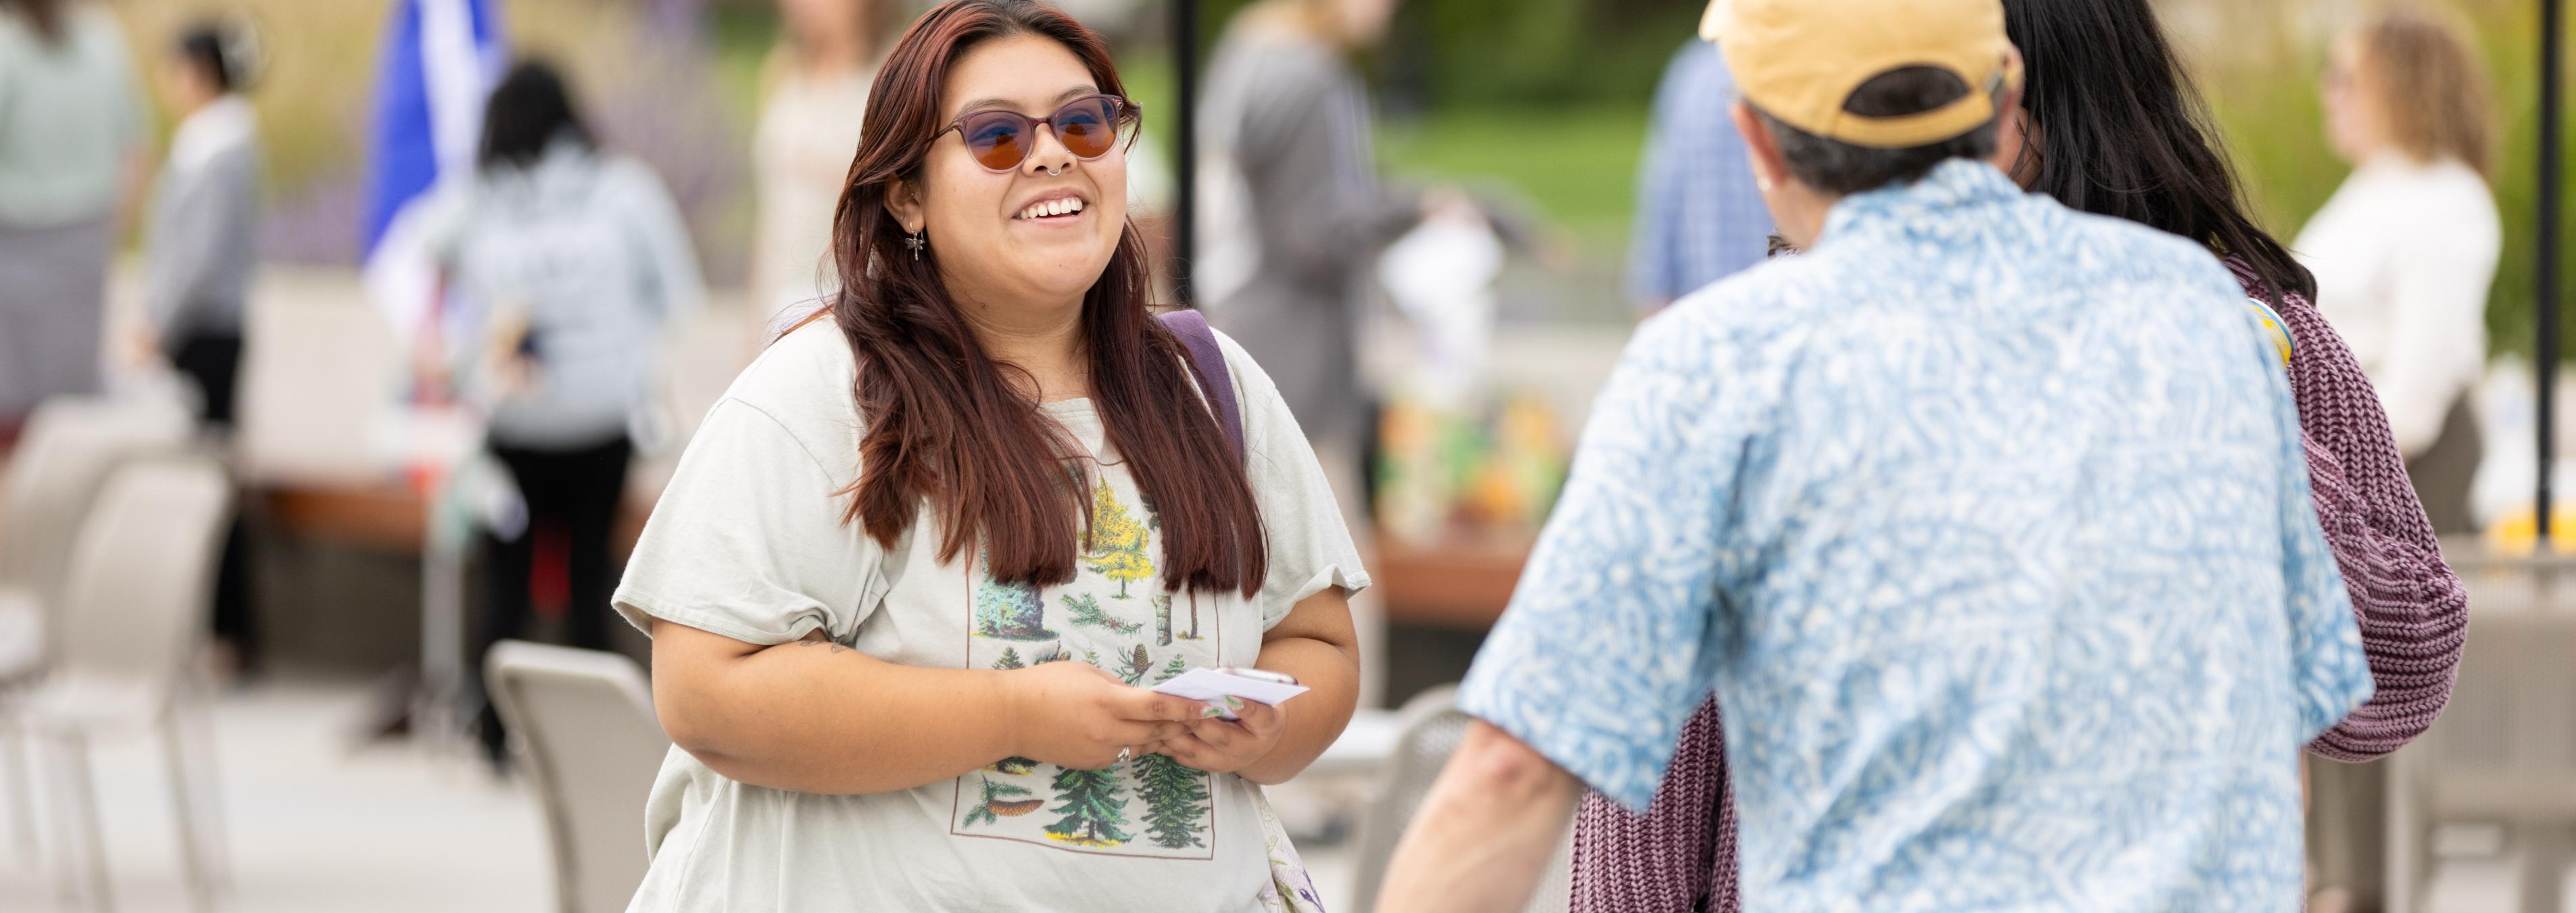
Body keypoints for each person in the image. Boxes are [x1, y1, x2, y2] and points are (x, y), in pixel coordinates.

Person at [1374, 0, 2375, 908]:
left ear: (1754, 139)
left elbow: (1510, 774)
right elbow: (2287, 713)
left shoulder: (1719, 363)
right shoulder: (2207, 316)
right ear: (2004, 102)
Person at [616, 3, 1366, 910]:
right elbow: (705, 691)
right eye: (996, 135)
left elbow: (1316, 640)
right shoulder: (819, 391)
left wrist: (1263, 729)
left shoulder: (1214, 385)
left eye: (1083, 122)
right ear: (906, 194)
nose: (1053, 154)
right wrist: (1016, 714)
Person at [421, 60, 703, 765]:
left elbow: (410, 264)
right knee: (589, 582)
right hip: (602, 422)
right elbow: (677, 296)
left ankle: (493, 734)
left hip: (512, 423)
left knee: (507, 586)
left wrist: (464, 357)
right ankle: (589, 743)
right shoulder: (623, 189)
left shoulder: (478, 198)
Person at [1197, 0, 1443, 710]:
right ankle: (1338, 781)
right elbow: (1313, 231)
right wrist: (1415, 207)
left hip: (1244, 326)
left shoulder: (1247, 56)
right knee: (1331, 580)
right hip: (1300, 350)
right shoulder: (1312, 76)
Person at [2297, 4, 2500, 538]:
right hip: (2340, 461)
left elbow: (2415, 395)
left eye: (2343, 77)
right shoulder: (2370, 189)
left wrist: (2317, 473)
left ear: (2398, 82)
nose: (2325, 91)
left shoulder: (2445, 200)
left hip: (2399, 471)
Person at [144, 15, 266, 675]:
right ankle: (218, 629)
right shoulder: (214, 143)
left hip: (206, 333)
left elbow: (196, 256)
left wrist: (156, 320)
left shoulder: (221, 148)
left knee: (209, 484)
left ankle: (228, 631)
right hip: (206, 331)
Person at [0, 0, 147, 439]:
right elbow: (136, 151)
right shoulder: (103, 38)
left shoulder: (8, 45)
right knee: (68, 408)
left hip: (14, 242)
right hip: (86, 240)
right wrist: (109, 236)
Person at [749, 0, 885, 335]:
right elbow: (771, 215)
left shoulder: (886, 77)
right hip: (780, 289)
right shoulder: (783, 71)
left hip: (849, 295)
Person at [1628, 40, 1773, 312]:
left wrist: (1653, 290)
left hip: (1706, 300)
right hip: (1751, 300)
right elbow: (1664, 191)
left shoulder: (1693, 69)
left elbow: (1662, 192)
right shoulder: (1692, 70)